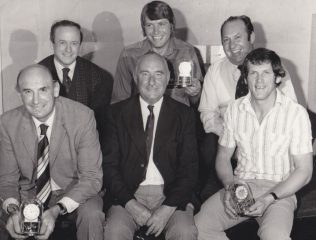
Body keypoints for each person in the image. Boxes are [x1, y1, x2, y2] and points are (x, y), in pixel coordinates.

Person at [194, 48, 313, 240]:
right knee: (198, 227)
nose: (259, 81)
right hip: (240, 186)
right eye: (253, 73)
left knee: (275, 236)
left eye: (266, 73)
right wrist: (229, 187)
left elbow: (304, 171)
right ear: (245, 78)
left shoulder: (296, 113)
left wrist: (269, 198)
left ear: (277, 78)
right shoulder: (234, 109)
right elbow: (223, 157)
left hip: (279, 192)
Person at [198, 15, 297, 200]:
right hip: (225, 145)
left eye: (237, 37)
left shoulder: (275, 69)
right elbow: (207, 113)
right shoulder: (215, 71)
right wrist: (232, 138)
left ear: (251, 37)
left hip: (267, 148)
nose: (231, 45)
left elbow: (290, 114)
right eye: (226, 40)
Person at [0, 64, 104, 240]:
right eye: (27, 91)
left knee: (92, 213)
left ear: (55, 89)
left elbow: (92, 178)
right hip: (29, 194)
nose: (35, 100)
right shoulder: (7, 123)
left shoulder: (83, 117)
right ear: (20, 94)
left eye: (42, 90)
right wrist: (13, 210)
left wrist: (56, 210)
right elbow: (7, 180)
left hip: (75, 191)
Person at [103, 52, 198, 240]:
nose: (152, 81)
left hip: (171, 196)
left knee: (185, 232)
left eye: (158, 74)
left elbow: (190, 169)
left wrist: (167, 209)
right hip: (128, 195)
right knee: (114, 232)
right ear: (135, 77)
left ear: (169, 77)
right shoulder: (116, 114)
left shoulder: (184, 115)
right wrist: (131, 204)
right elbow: (109, 167)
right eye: (145, 74)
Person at [112, 0, 203, 106]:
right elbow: (119, 101)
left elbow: (197, 102)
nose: (156, 31)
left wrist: (195, 92)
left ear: (171, 25)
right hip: (141, 118)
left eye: (161, 24)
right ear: (144, 28)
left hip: (178, 118)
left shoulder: (187, 51)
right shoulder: (129, 55)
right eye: (150, 25)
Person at [39, 19, 113, 142]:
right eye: (62, 43)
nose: (68, 49)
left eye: (74, 43)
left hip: (85, 146)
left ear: (80, 45)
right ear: (52, 44)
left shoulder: (100, 77)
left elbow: (100, 126)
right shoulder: (36, 74)